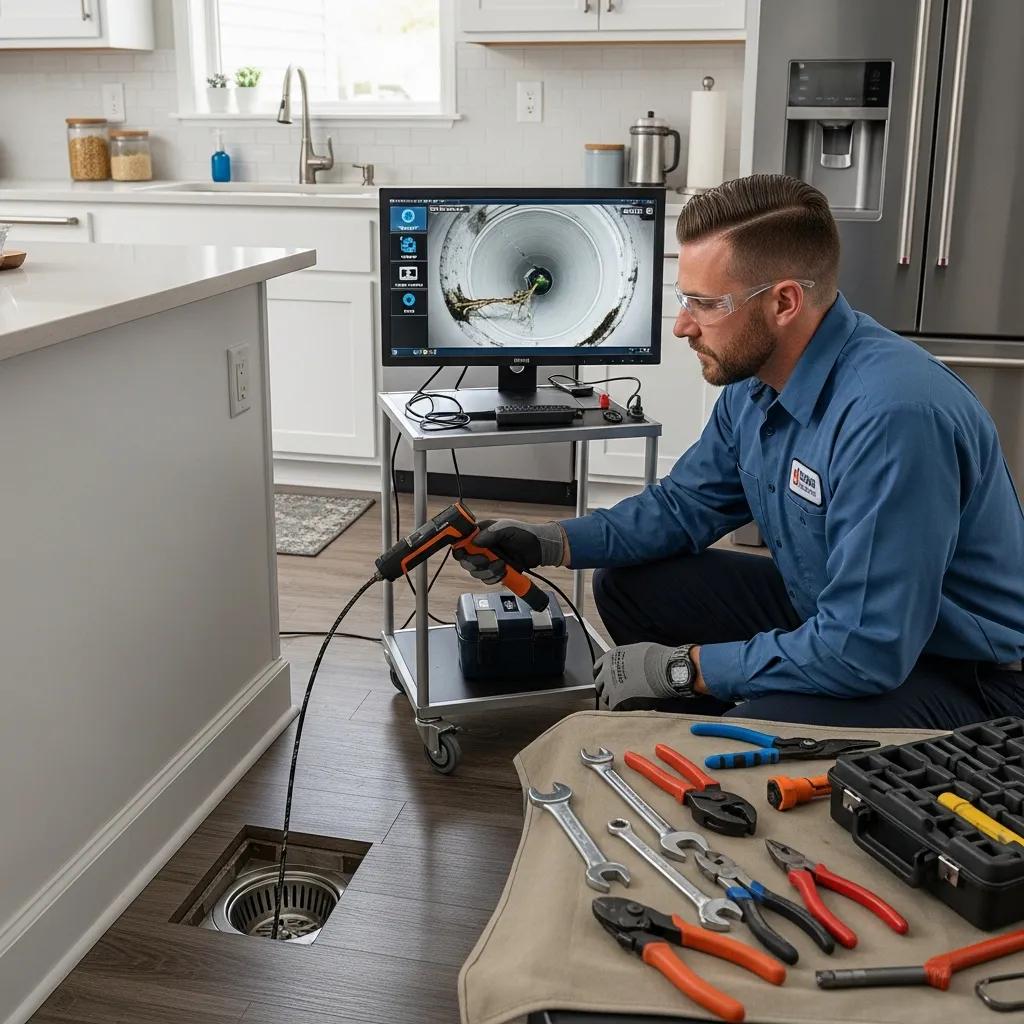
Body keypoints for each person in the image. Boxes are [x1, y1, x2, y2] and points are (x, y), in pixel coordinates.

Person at [454, 173, 1024, 730]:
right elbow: (681, 509)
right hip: (837, 614)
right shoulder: (758, 385)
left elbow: (866, 648)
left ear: (783, 302)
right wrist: (552, 542)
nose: (681, 326)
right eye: (684, 299)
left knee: (753, 730)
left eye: (704, 304)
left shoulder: (891, 418)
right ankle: (720, 730)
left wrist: (684, 669)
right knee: (627, 584)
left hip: (961, 674)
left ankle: (735, 733)